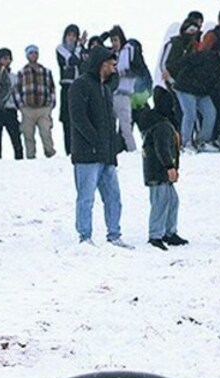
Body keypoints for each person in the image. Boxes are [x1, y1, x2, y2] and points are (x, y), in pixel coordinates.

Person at [71, 46, 130, 247]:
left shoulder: (105, 89)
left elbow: (109, 121)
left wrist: (112, 147)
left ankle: (114, 235)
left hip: (106, 154)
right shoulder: (80, 85)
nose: (115, 69)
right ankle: (84, 237)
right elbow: (78, 118)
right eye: (112, 65)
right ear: (102, 64)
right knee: (86, 198)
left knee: (114, 197)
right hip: (87, 154)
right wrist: (95, 141)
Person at [134, 92, 186, 250]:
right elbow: (163, 148)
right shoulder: (162, 125)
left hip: (160, 171)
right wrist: (170, 167)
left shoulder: (160, 123)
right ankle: (156, 235)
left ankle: (169, 232)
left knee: (171, 200)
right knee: (161, 202)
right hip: (158, 172)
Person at [18, 44, 58, 159]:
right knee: (28, 134)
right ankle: (30, 156)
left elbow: (52, 88)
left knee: (46, 132)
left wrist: (51, 104)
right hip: (27, 109)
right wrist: (20, 105)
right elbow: (17, 89)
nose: (33, 55)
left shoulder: (46, 71)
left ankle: (50, 153)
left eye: (35, 53)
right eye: (31, 53)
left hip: (43, 108)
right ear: (27, 55)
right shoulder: (22, 72)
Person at [109, 26, 140, 153]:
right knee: (110, 125)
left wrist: (124, 72)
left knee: (125, 127)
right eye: (112, 41)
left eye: (116, 40)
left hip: (124, 93)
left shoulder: (129, 51)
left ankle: (132, 151)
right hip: (113, 93)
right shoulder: (113, 55)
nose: (114, 44)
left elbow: (137, 69)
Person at [57, 25, 86, 156]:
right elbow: (72, 60)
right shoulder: (61, 48)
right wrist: (79, 47)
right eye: (69, 35)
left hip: (79, 87)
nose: (72, 38)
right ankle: (68, 150)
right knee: (67, 119)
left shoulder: (80, 49)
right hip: (67, 86)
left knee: (80, 118)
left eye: (74, 36)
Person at [0, 48, 23, 160]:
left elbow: (18, 91)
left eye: (8, 58)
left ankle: (19, 159)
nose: (6, 60)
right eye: (4, 58)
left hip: (11, 108)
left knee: (16, 136)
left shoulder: (14, 76)